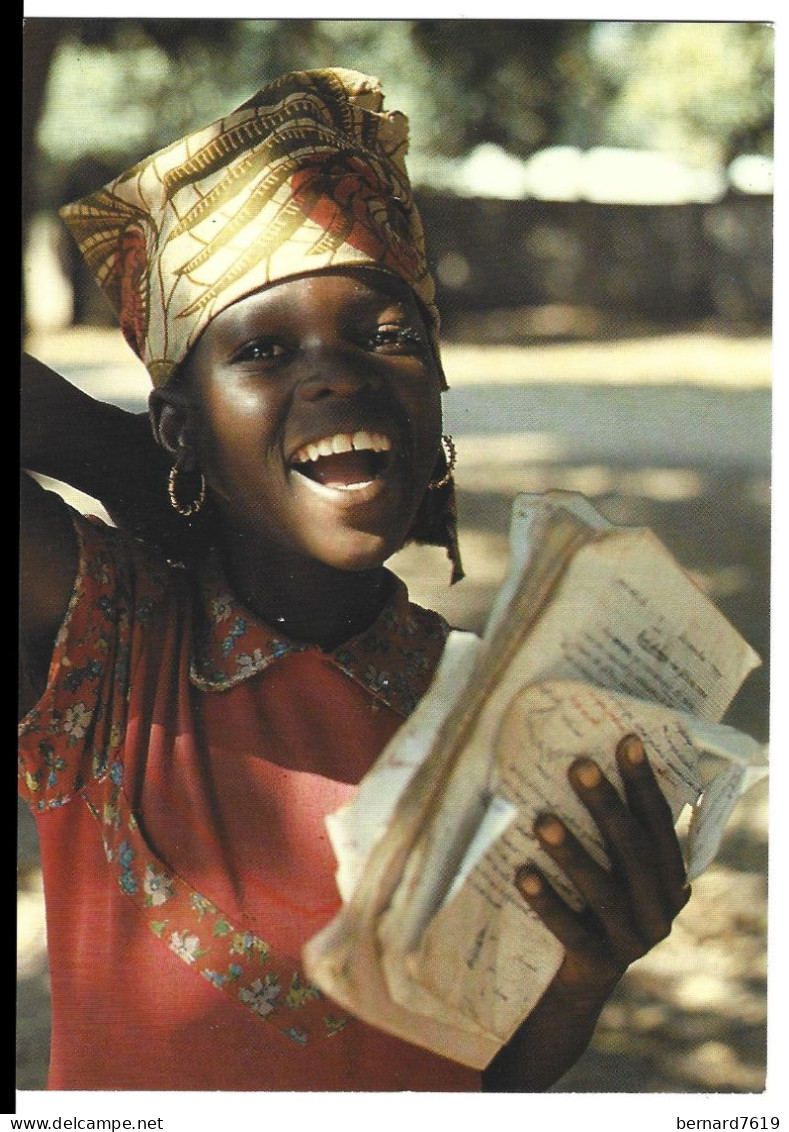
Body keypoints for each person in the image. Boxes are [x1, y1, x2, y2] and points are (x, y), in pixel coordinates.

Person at [19, 67, 690, 1093]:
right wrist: (136, 469)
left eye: (390, 336)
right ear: (182, 423)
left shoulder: (487, 714)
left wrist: (583, 978)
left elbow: (484, 1081)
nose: (339, 374)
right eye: (266, 348)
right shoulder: (104, 644)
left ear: (437, 402)